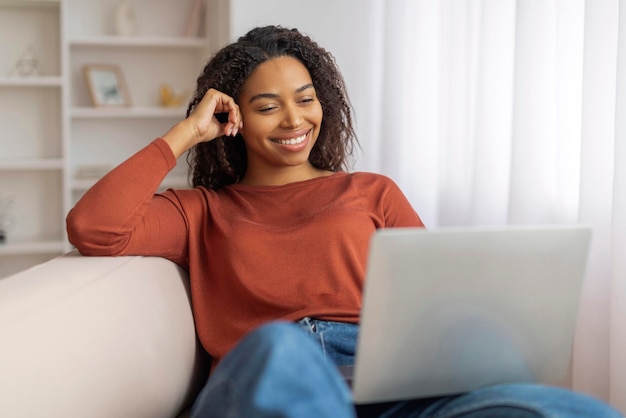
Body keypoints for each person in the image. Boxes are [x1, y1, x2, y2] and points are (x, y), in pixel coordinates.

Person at [66, 25, 621, 418]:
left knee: (565, 408)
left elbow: (434, 307)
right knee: (281, 346)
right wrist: (186, 132)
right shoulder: (201, 210)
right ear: (230, 115)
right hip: (275, 375)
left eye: (306, 99)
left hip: (384, 386)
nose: (294, 119)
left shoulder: (372, 191)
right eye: (266, 107)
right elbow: (95, 227)